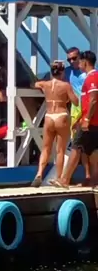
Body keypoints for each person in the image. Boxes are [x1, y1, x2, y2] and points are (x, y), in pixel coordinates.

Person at [55, 50, 98, 187]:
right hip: (89, 119)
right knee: (91, 151)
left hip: (90, 121)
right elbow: (86, 102)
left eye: (79, 61)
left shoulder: (92, 77)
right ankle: (93, 180)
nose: (77, 64)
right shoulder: (91, 77)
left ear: (85, 62)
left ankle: (64, 179)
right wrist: (80, 118)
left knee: (76, 147)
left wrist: (86, 119)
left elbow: (93, 100)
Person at [31, 61, 78, 187]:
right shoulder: (65, 85)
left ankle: (39, 174)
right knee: (60, 150)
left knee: (45, 148)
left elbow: (35, 84)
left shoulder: (45, 84)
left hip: (49, 116)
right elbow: (75, 101)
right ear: (62, 72)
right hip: (61, 115)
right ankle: (59, 178)